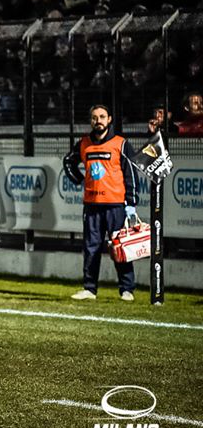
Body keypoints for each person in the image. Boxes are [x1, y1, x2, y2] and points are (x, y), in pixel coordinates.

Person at [62, 104, 139, 301]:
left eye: (102, 117)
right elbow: (68, 162)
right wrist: (79, 179)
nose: (99, 121)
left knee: (120, 248)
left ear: (110, 119)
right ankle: (89, 289)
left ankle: (126, 289)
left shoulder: (121, 144)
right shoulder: (84, 143)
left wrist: (131, 202)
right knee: (91, 248)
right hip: (92, 205)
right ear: (91, 121)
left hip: (116, 206)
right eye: (95, 117)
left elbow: (131, 173)